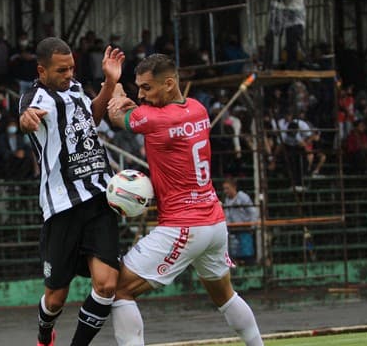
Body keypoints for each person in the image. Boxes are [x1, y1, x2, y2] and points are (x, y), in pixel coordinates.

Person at [106, 54, 262, 346]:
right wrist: (136, 105)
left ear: (169, 83)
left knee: (118, 290)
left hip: (182, 226)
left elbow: (116, 114)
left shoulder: (154, 118)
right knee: (225, 296)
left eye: (147, 88)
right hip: (214, 223)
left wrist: (114, 82)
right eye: (137, 88)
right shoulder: (198, 109)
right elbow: (141, 114)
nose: (141, 95)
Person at [19, 37, 125, 346]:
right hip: (62, 208)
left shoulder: (76, 89)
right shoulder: (34, 97)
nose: (68, 75)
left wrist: (109, 83)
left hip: (99, 200)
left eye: (72, 68)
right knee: (55, 299)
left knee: (106, 285)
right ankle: (44, 332)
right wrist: (26, 122)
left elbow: (90, 118)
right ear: (42, 70)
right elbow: (27, 119)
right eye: (62, 70)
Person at [222, 178, 258, 263]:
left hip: (244, 228)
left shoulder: (242, 197)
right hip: (233, 229)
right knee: (233, 254)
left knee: (247, 253)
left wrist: (252, 226)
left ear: (234, 187)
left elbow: (253, 211)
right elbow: (227, 215)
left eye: (227, 188)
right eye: (224, 189)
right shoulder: (227, 200)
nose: (225, 191)